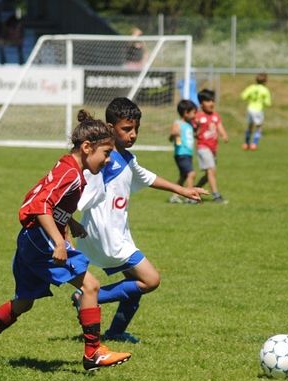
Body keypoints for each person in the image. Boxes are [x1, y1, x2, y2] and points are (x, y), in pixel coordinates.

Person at [0, 110, 131, 371]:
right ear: (87, 147)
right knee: (90, 286)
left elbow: (44, 199)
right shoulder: (71, 173)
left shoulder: (69, 167)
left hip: (31, 239)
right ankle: (93, 353)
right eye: (106, 153)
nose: (108, 160)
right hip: (41, 240)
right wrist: (59, 242)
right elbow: (40, 205)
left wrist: (69, 222)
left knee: (24, 301)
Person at [71, 97, 206, 343]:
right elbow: (77, 192)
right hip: (107, 235)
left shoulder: (126, 159)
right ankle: (87, 297)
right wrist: (70, 221)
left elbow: (148, 177)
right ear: (111, 128)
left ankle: (116, 332)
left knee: (135, 284)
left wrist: (182, 189)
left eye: (136, 129)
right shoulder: (105, 161)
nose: (133, 135)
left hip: (109, 234)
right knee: (151, 279)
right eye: (126, 129)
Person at [194, 89, 229, 204]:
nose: (211, 103)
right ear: (201, 103)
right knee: (211, 170)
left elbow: (219, 126)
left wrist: (224, 135)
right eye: (208, 101)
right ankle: (216, 195)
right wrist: (196, 131)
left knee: (209, 174)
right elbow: (194, 130)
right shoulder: (198, 116)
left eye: (212, 100)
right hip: (203, 147)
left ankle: (194, 189)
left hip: (213, 149)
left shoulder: (215, 116)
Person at [168, 99, 197, 204]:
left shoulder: (190, 125)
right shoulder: (178, 123)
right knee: (191, 173)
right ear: (186, 113)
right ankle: (189, 196)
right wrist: (174, 134)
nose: (195, 115)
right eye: (194, 112)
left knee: (183, 176)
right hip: (181, 153)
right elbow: (171, 138)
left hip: (188, 154)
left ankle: (174, 196)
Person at [240, 73, 272, 150]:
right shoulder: (265, 90)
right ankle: (254, 144)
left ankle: (246, 143)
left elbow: (243, 96)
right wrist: (262, 101)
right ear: (265, 81)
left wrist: (251, 98)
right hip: (258, 110)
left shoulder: (251, 87)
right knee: (259, 127)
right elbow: (268, 103)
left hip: (250, 109)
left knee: (250, 126)